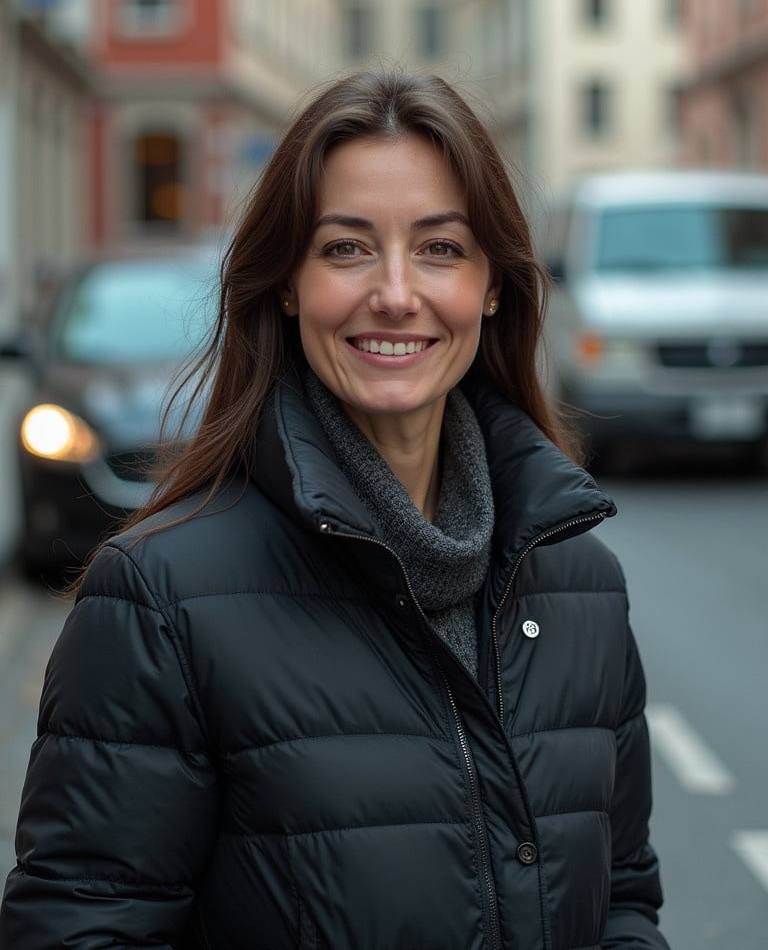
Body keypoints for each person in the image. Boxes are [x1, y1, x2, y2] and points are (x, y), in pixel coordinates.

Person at [0, 70, 669, 949]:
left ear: (494, 286)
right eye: (347, 248)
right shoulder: (159, 601)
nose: (396, 293)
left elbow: (621, 901)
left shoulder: (582, 583)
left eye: (440, 248)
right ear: (286, 283)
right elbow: (80, 932)